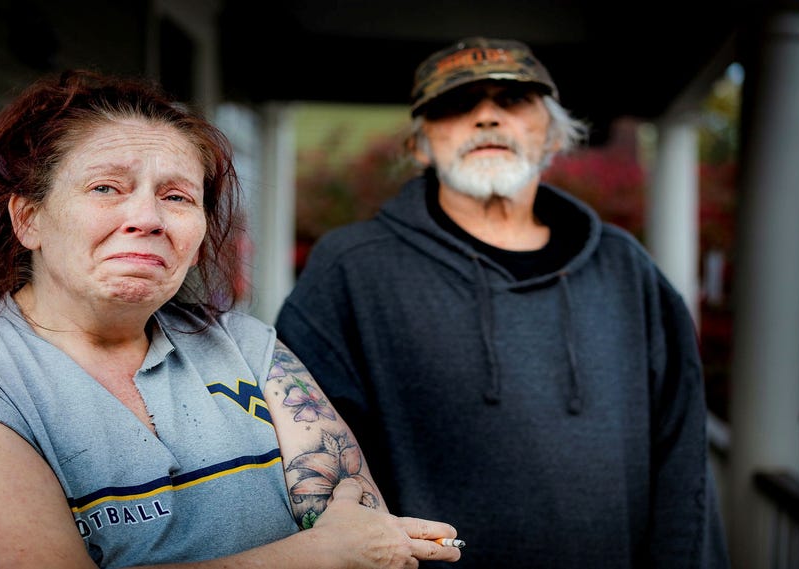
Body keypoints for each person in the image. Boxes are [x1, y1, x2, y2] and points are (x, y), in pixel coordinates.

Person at [0, 69, 463, 569]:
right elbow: (345, 548)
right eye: (107, 188)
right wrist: (314, 555)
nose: (148, 218)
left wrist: (352, 549)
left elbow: (367, 534)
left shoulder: (246, 346)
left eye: (176, 196)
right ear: (27, 219)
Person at [274, 37, 730, 568]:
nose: (486, 116)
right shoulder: (349, 269)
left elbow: (682, 458)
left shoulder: (626, 268)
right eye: (458, 104)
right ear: (421, 144)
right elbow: (310, 462)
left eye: (511, 101)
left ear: (553, 134)